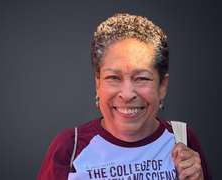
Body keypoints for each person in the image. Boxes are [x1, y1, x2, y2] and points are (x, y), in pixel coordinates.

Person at [37, 13, 212, 180]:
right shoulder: (70, 146)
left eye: (142, 78)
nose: (127, 95)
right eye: (113, 78)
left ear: (162, 87)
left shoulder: (182, 140)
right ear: (98, 85)